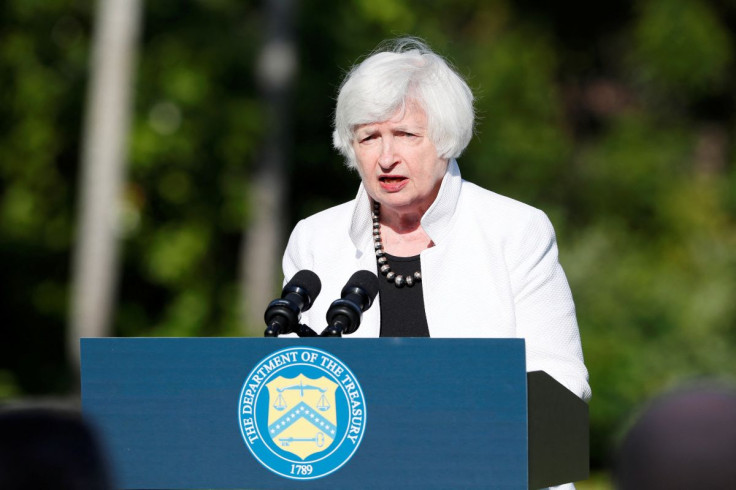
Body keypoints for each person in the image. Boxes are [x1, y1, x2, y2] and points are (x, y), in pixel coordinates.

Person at [283, 37, 590, 404]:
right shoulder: (315, 239)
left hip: (479, 453)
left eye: (405, 135)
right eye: (369, 138)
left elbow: (561, 381)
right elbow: (285, 373)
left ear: (445, 138)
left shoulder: (516, 231)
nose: (385, 158)